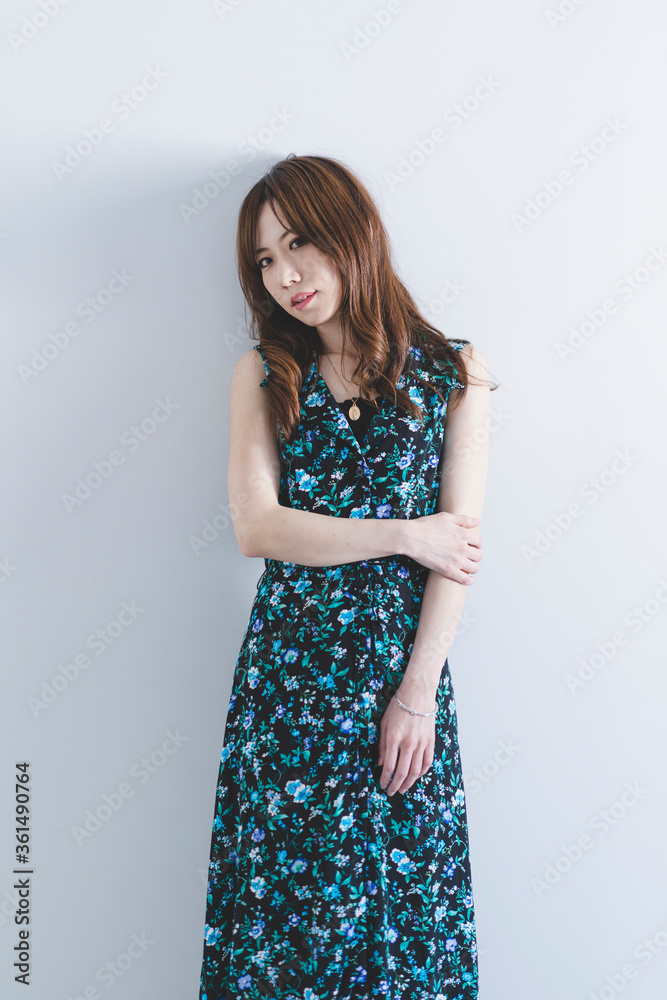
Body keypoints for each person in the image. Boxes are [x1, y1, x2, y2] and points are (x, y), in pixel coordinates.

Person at [199, 153, 493, 1000]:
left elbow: (458, 553)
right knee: (286, 932)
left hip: (403, 682)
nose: (284, 276)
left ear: (350, 234)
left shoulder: (455, 371)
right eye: (264, 259)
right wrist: (405, 533)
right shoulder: (264, 372)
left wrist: (416, 693)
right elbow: (257, 527)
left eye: (299, 244)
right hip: (289, 681)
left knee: (407, 920)